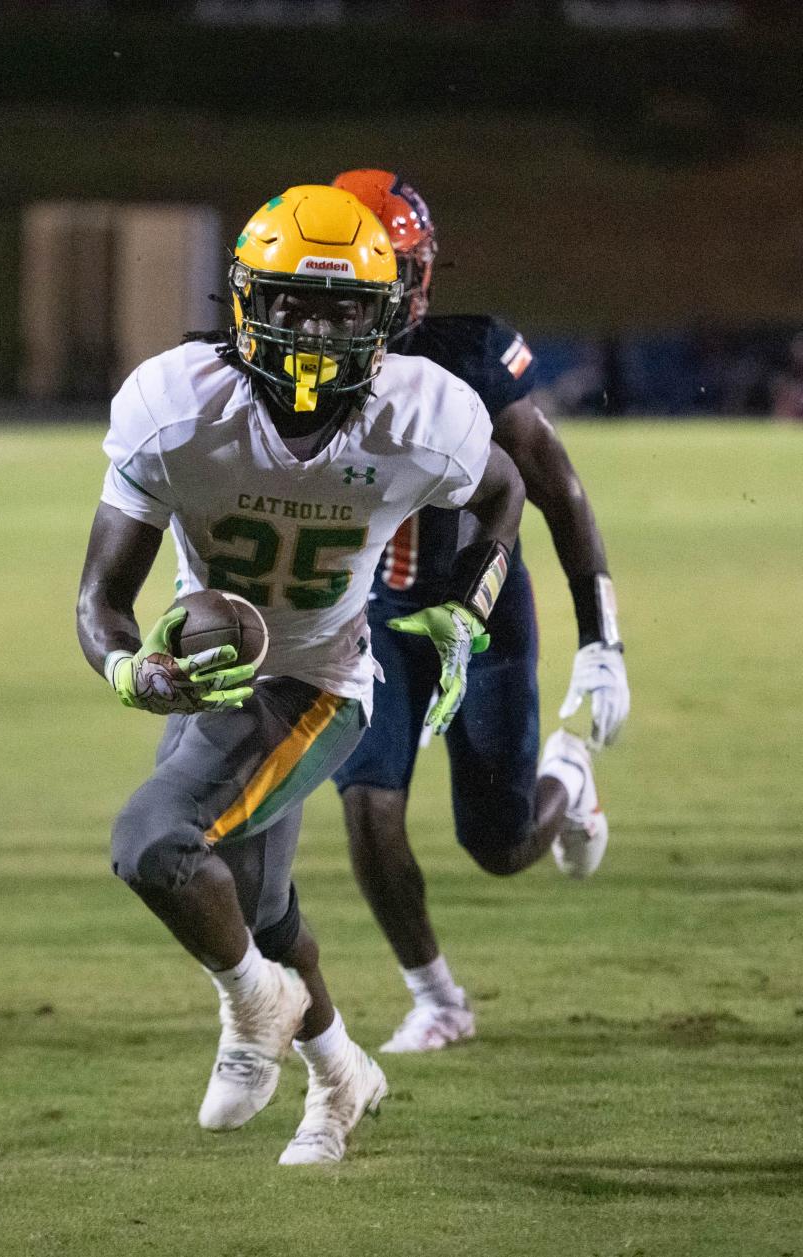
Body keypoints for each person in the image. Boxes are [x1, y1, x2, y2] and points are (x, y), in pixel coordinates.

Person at [76, 184, 526, 1164]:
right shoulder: (178, 406)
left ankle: (254, 1008)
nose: (313, 327)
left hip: (323, 687)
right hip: (219, 683)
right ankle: (338, 1075)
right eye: (289, 301)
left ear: (386, 316)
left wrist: (470, 602)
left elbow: (504, 493)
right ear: (244, 301)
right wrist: (129, 670)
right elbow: (99, 600)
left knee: (152, 842)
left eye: (340, 307)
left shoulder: (424, 416)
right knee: (263, 909)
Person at [329, 169, 630, 1054]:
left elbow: (557, 490)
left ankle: (567, 779)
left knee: (496, 844)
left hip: (479, 610)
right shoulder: (300, 367)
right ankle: (439, 997)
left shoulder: (468, 357)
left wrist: (600, 638)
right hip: (375, 618)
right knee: (368, 805)